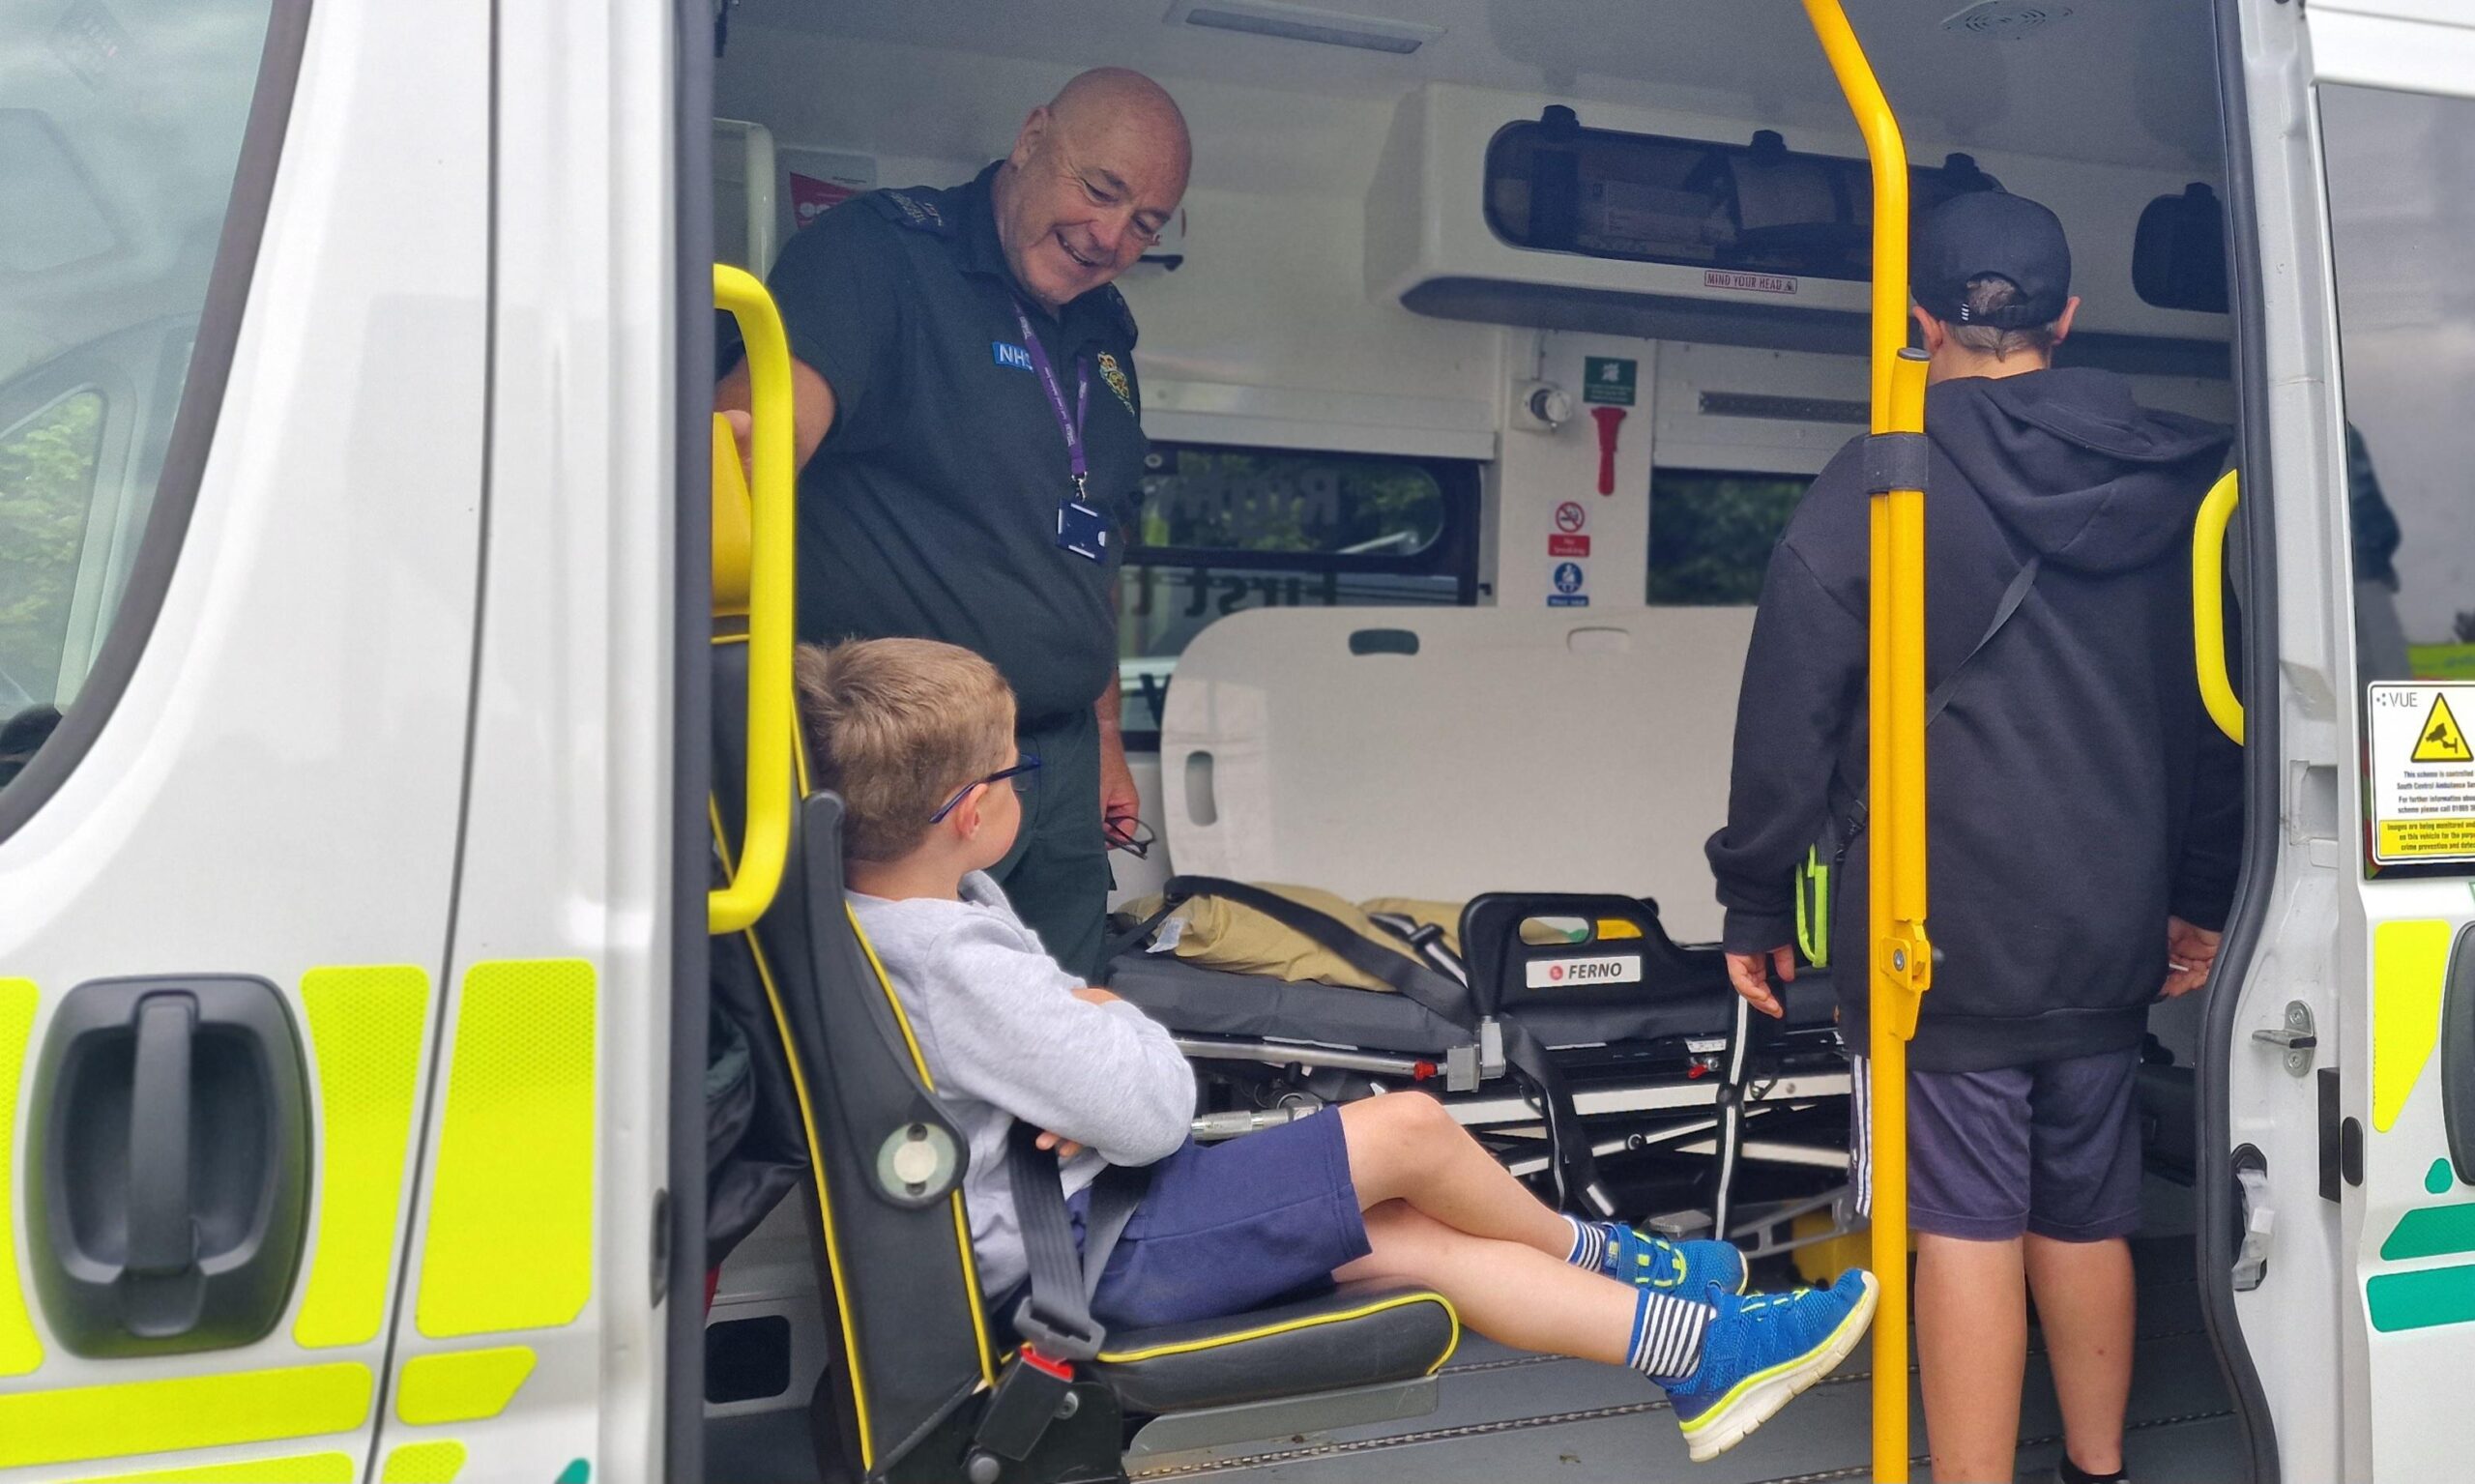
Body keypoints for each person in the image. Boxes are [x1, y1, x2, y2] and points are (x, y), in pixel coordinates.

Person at [798, 634, 1880, 1465]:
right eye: (1013, 764)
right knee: (1409, 1126)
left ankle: (1699, 1352)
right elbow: (1152, 1109)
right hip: (1096, 1244)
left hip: (1087, 1216)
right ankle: (1616, 1255)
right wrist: (1106, 1021)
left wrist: (1080, 1036)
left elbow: (1083, 1077)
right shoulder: (957, 959)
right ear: (971, 808)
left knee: (1416, 1233)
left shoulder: (890, 914)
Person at [1704, 190, 2243, 1484]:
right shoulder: (2178, 487)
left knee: (1964, 1226)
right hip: (2109, 923)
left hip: (1941, 932)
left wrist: (1757, 899)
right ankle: (2099, 1466)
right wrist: (2201, 894)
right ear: (2066, 317)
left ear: (1917, 318)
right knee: (2088, 1215)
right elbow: (2209, 714)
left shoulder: (1875, 478)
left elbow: (1791, 707)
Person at [716, 68, 1188, 982]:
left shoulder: (1104, 329)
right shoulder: (881, 255)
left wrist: (1104, 741)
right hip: (904, 760)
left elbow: (1092, 546)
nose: (1110, 238)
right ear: (1031, 138)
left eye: (1146, 224)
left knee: (1062, 1039)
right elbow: (742, 465)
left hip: (1052, 762)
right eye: (1101, 191)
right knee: (907, 1047)